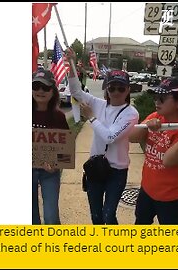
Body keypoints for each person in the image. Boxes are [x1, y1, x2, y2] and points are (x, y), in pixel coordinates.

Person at [66, 49, 139, 225]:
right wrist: (71, 65)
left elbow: (109, 137)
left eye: (121, 88)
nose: (116, 92)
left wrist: (91, 117)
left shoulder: (131, 113)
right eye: (112, 87)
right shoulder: (99, 104)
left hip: (117, 172)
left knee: (108, 215)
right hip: (95, 167)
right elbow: (76, 92)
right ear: (106, 88)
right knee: (96, 217)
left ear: (128, 90)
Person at [128, 77, 178, 224]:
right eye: (155, 96)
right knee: (141, 223)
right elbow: (132, 137)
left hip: (171, 197)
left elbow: (168, 161)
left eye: (163, 98)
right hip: (147, 189)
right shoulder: (156, 116)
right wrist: (147, 124)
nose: (157, 101)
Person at [32, 69, 69, 225]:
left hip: (50, 173)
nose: (40, 90)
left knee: (51, 217)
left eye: (45, 87)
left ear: (52, 91)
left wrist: (56, 165)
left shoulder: (59, 116)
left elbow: (67, 151)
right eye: (36, 86)